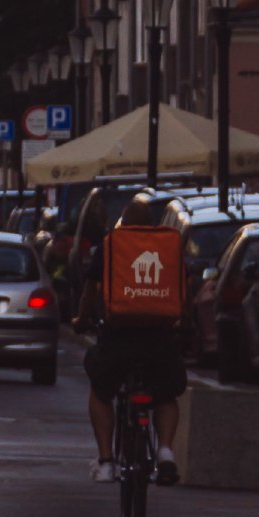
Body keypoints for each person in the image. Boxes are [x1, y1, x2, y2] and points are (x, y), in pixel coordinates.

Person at [76, 192, 186, 486]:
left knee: (100, 390)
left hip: (118, 338)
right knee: (166, 393)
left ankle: (107, 461)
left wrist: (81, 319)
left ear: (123, 223)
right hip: (159, 337)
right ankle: (165, 451)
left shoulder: (111, 246)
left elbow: (90, 291)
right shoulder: (169, 246)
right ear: (151, 224)